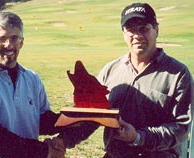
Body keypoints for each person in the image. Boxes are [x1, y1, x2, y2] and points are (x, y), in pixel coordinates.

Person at [59, 2, 194, 158]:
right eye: (130, 30)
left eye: (144, 28)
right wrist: (63, 141)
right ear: (124, 33)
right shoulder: (110, 71)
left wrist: (137, 137)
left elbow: (180, 128)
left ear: (156, 30)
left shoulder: (178, 74)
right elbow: (93, 116)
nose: (137, 36)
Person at [0, 11, 65, 158]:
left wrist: (75, 118)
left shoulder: (32, 79)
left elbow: (42, 121)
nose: (9, 45)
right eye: (2, 38)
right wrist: (44, 150)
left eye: (14, 38)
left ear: (21, 42)